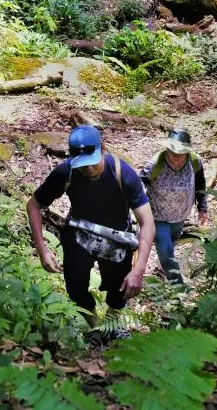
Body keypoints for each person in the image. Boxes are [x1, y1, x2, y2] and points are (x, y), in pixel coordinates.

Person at [26, 125, 155, 341]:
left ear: (102, 148)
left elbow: (147, 222)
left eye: (91, 162)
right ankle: (96, 329)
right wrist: (42, 250)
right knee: (75, 286)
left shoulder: (123, 174)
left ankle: (112, 325)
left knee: (120, 288)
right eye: (81, 164)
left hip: (117, 237)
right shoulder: (66, 172)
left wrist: (139, 269)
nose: (87, 169)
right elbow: (34, 205)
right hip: (79, 233)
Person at [140, 128, 209, 285]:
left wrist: (202, 208)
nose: (176, 158)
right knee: (165, 250)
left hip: (181, 214)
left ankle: (163, 262)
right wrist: (137, 204)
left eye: (180, 154)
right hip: (157, 214)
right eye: (172, 153)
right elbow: (139, 182)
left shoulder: (195, 161)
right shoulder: (155, 163)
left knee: (172, 240)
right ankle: (178, 287)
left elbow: (200, 184)